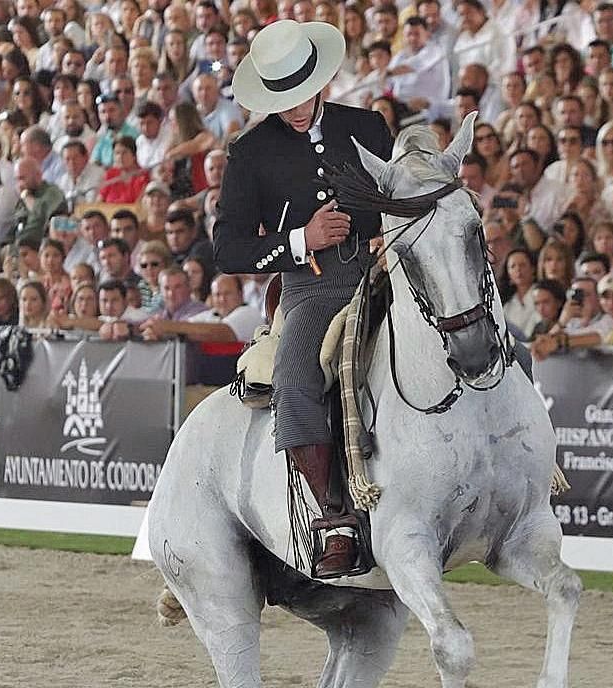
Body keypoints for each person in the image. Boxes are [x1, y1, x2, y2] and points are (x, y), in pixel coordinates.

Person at [212, 20, 393, 577]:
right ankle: (332, 517)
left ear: (320, 81)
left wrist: (391, 228)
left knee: (478, 330)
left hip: (386, 271)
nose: (292, 109)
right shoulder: (250, 153)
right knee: (293, 378)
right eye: (280, 100)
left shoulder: (368, 126)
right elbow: (228, 249)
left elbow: (403, 195)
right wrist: (301, 240)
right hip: (314, 288)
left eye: (300, 94)